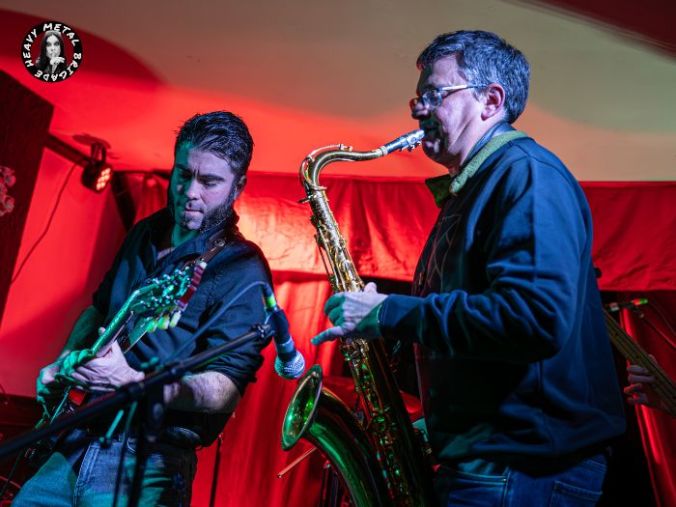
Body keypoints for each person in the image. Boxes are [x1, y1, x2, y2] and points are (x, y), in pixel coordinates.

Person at [312, 30, 626, 506]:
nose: (418, 111)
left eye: (434, 94)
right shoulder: (479, 186)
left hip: (519, 470)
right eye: (417, 98)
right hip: (497, 465)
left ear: (491, 100)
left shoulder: (527, 174)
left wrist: (390, 312)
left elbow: (534, 319)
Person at [13, 111, 272, 506]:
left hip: (150, 457)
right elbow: (99, 310)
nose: (190, 191)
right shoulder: (145, 232)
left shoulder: (242, 268)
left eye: (209, 182)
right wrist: (64, 363)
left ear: (239, 185)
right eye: (183, 174)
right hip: (76, 436)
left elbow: (225, 388)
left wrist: (134, 381)